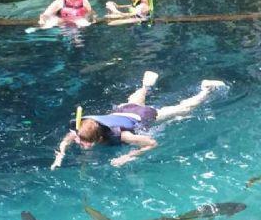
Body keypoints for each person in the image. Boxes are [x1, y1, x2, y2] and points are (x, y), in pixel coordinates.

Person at [51, 71, 227, 169]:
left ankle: (205, 89)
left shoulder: (124, 136)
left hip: (141, 117)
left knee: (183, 109)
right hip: (123, 111)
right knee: (134, 101)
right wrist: (60, 155)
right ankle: (146, 85)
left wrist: (128, 157)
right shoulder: (81, 128)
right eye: (81, 140)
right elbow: (69, 138)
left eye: (86, 142)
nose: (80, 143)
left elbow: (152, 143)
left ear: (98, 138)